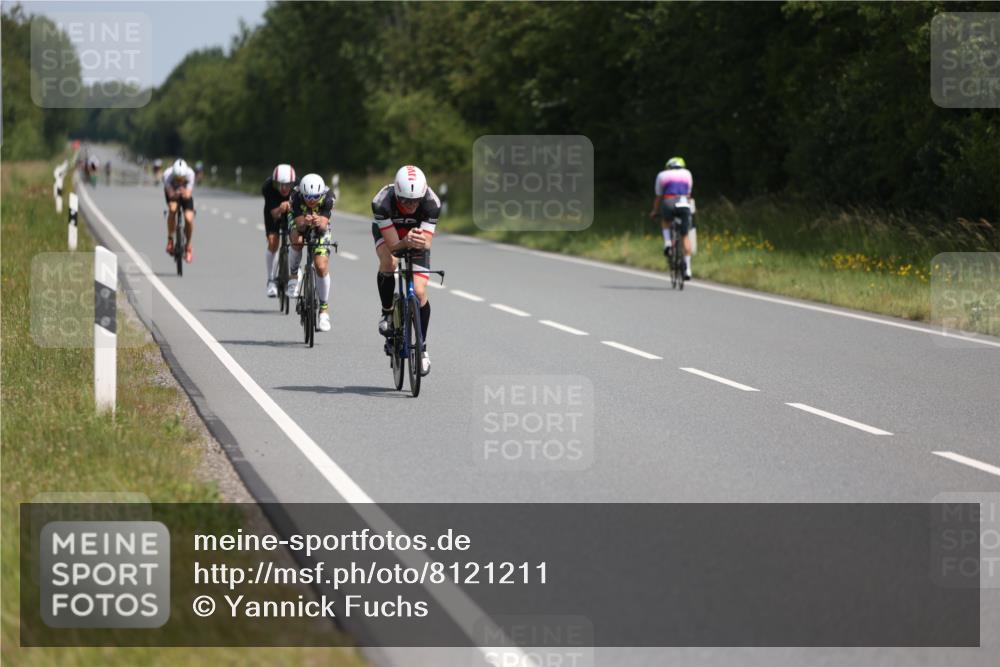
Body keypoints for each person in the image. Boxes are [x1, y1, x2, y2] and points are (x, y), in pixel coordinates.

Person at [371, 165, 439, 376]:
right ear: (396, 195)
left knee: (419, 291)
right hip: (389, 233)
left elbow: (427, 243)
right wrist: (404, 241)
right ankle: (387, 312)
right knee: (389, 263)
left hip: (415, 236)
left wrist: (418, 241)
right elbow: (393, 247)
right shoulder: (381, 202)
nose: (410, 206)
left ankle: (422, 348)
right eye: (405, 201)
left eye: (415, 201)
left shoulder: (431, 202)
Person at [286, 173, 335, 332]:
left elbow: (323, 226)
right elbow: (299, 225)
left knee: (321, 266)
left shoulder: (329, 197)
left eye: (315, 197)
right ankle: (294, 276)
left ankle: (324, 311)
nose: (311, 200)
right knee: (297, 240)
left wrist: (319, 222)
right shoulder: (295, 196)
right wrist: (305, 222)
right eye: (308, 197)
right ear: (302, 193)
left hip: (320, 225)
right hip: (299, 221)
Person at [650, 156, 694, 280]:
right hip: (684, 203)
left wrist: (654, 211)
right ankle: (688, 270)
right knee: (685, 236)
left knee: (666, 221)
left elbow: (659, 196)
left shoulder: (662, 175)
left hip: (668, 201)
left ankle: (668, 243)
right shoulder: (687, 173)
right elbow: (688, 194)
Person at [261, 164, 297, 297]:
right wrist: (281, 208)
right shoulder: (268, 187)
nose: (284, 188)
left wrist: (290, 206)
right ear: (274, 183)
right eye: (280, 184)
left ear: (293, 183)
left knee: (296, 240)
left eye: (288, 185)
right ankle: (271, 280)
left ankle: (294, 274)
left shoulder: (299, 187)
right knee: (273, 241)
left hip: (293, 211)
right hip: (274, 211)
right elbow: (274, 214)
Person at [163, 158, 197, 263]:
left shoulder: (190, 174)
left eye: (182, 178)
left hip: (185, 195)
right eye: (177, 178)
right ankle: (170, 240)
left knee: (189, 218)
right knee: (172, 209)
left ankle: (188, 246)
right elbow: (170, 194)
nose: (179, 181)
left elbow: (188, 195)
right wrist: (176, 193)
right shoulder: (167, 175)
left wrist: (183, 192)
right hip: (173, 195)